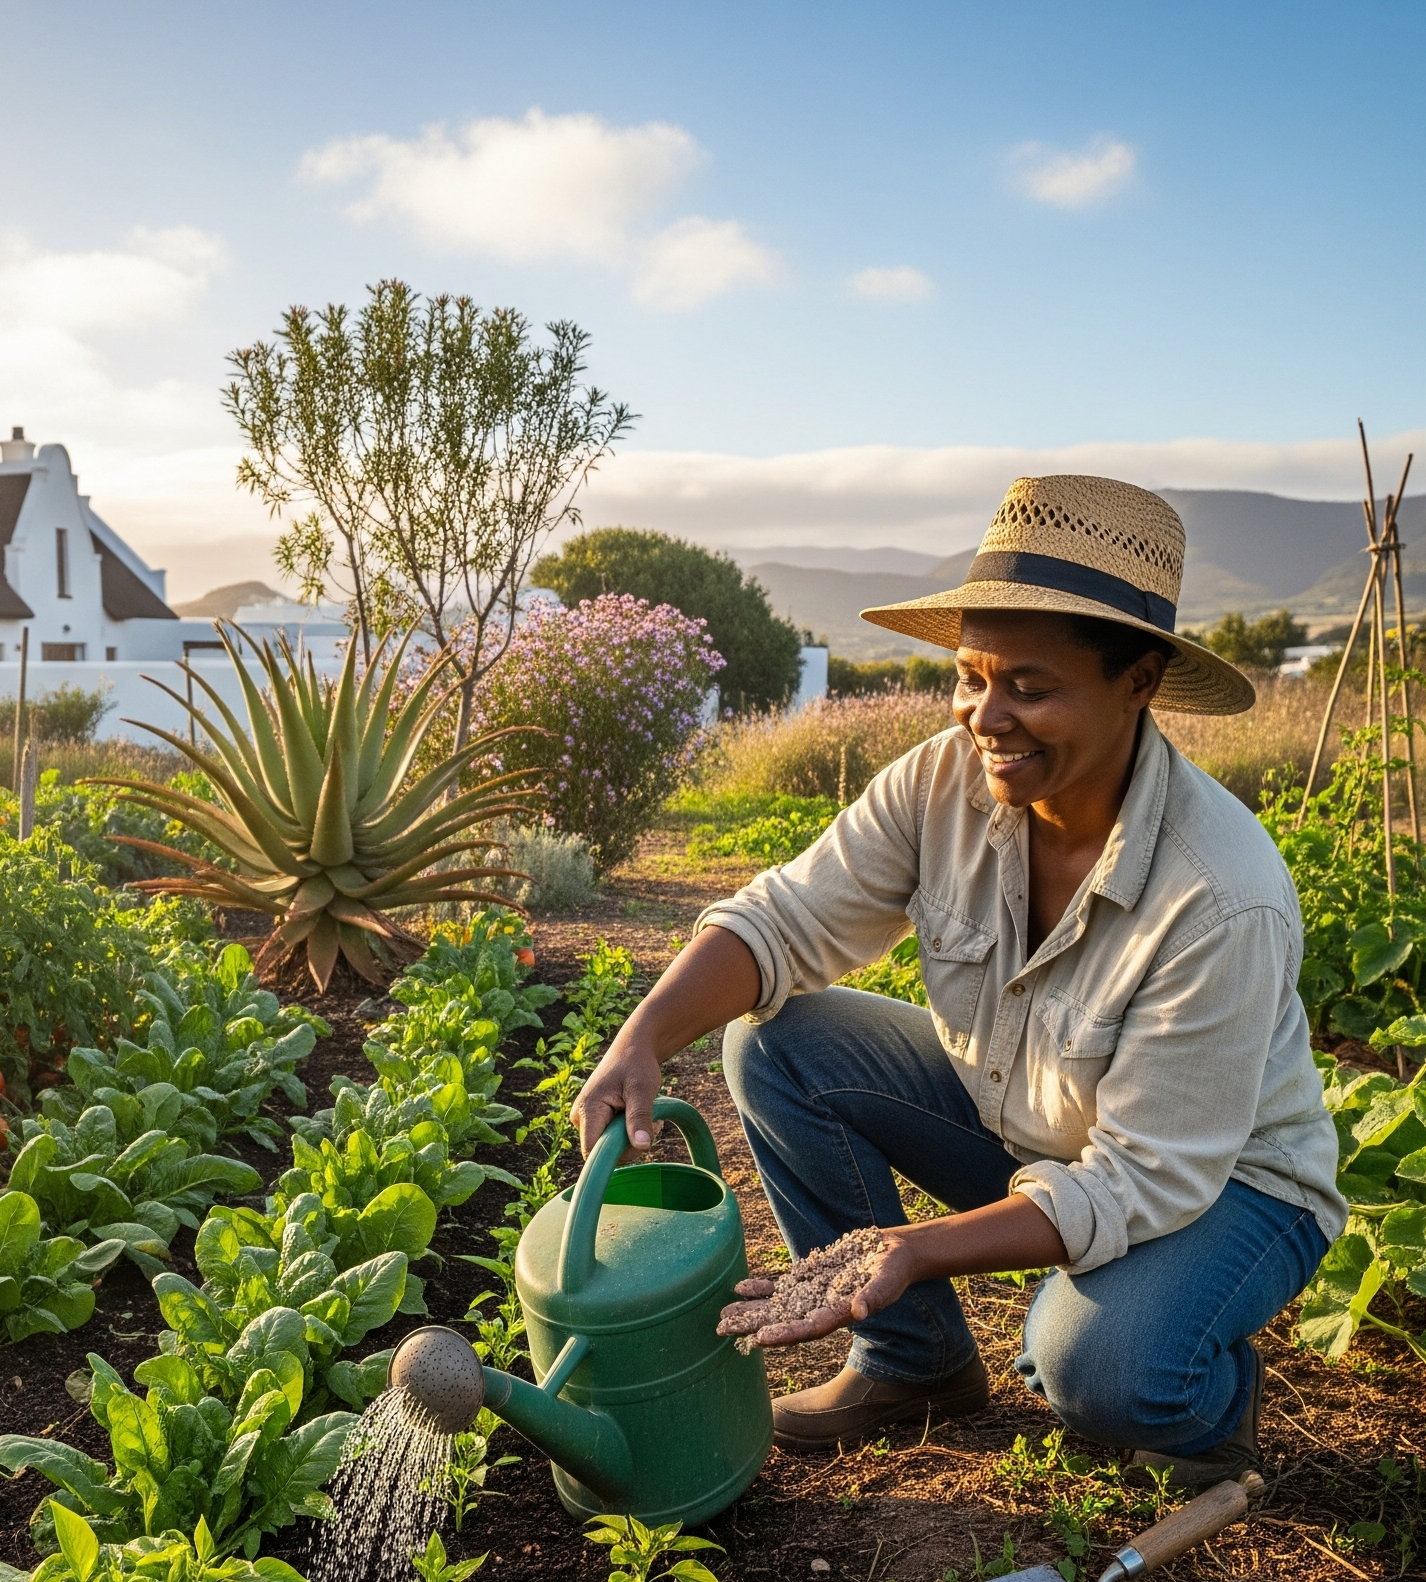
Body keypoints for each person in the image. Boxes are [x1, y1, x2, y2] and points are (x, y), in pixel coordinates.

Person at [574, 476, 1345, 1489]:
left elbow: (1145, 1175)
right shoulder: (938, 782)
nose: (985, 714)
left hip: (1221, 1186)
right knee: (776, 1042)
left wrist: (913, 1244)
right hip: (1034, 1129)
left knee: (1089, 1368)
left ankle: (1206, 1396)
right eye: (969, 676)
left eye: (1026, 685)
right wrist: (641, 1036)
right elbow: (784, 917)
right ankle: (913, 1362)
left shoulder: (1216, 894)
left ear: (1139, 681)